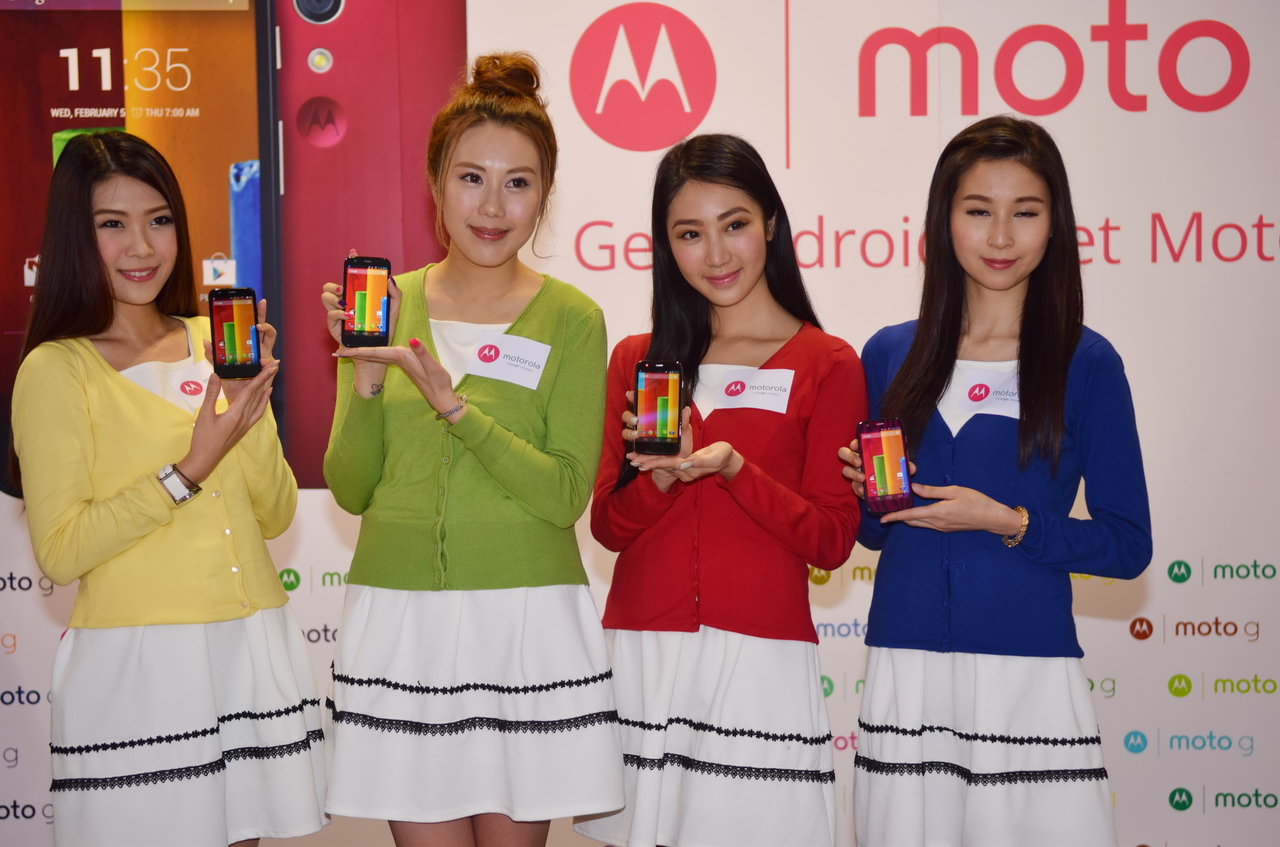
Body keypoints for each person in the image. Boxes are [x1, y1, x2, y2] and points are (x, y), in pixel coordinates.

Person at [320, 52, 623, 847]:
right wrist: (366, 378)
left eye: (518, 182)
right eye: (470, 178)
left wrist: (455, 407)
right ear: (436, 183)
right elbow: (350, 488)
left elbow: (565, 494)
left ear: (544, 195)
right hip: (403, 620)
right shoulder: (388, 305)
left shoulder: (573, 318)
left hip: (523, 622)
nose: (492, 205)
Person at [839, 115, 1152, 846]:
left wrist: (1006, 520)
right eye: (979, 211)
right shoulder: (889, 354)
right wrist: (865, 494)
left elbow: (1127, 544)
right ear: (943, 220)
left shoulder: (1086, 363)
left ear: (1056, 224)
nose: (1002, 237)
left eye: (1026, 212)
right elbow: (874, 536)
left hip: (1027, 675)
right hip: (907, 672)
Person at [10, 131, 325, 847]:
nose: (141, 247)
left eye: (159, 220)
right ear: (74, 235)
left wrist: (250, 409)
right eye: (112, 224)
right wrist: (187, 471)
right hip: (139, 666)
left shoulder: (216, 342)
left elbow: (276, 513)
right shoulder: (56, 370)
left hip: (248, 642)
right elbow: (60, 549)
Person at [575, 133, 866, 847]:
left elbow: (832, 539)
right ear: (665, 245)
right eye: (689, 233)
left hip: (761, 659)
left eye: (734, 224)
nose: (715, 254)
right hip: (645, 651)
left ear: (771, 222)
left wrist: (737, 471)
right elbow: (608, 525)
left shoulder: (828, 362)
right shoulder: (638, 359)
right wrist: (661, 481)